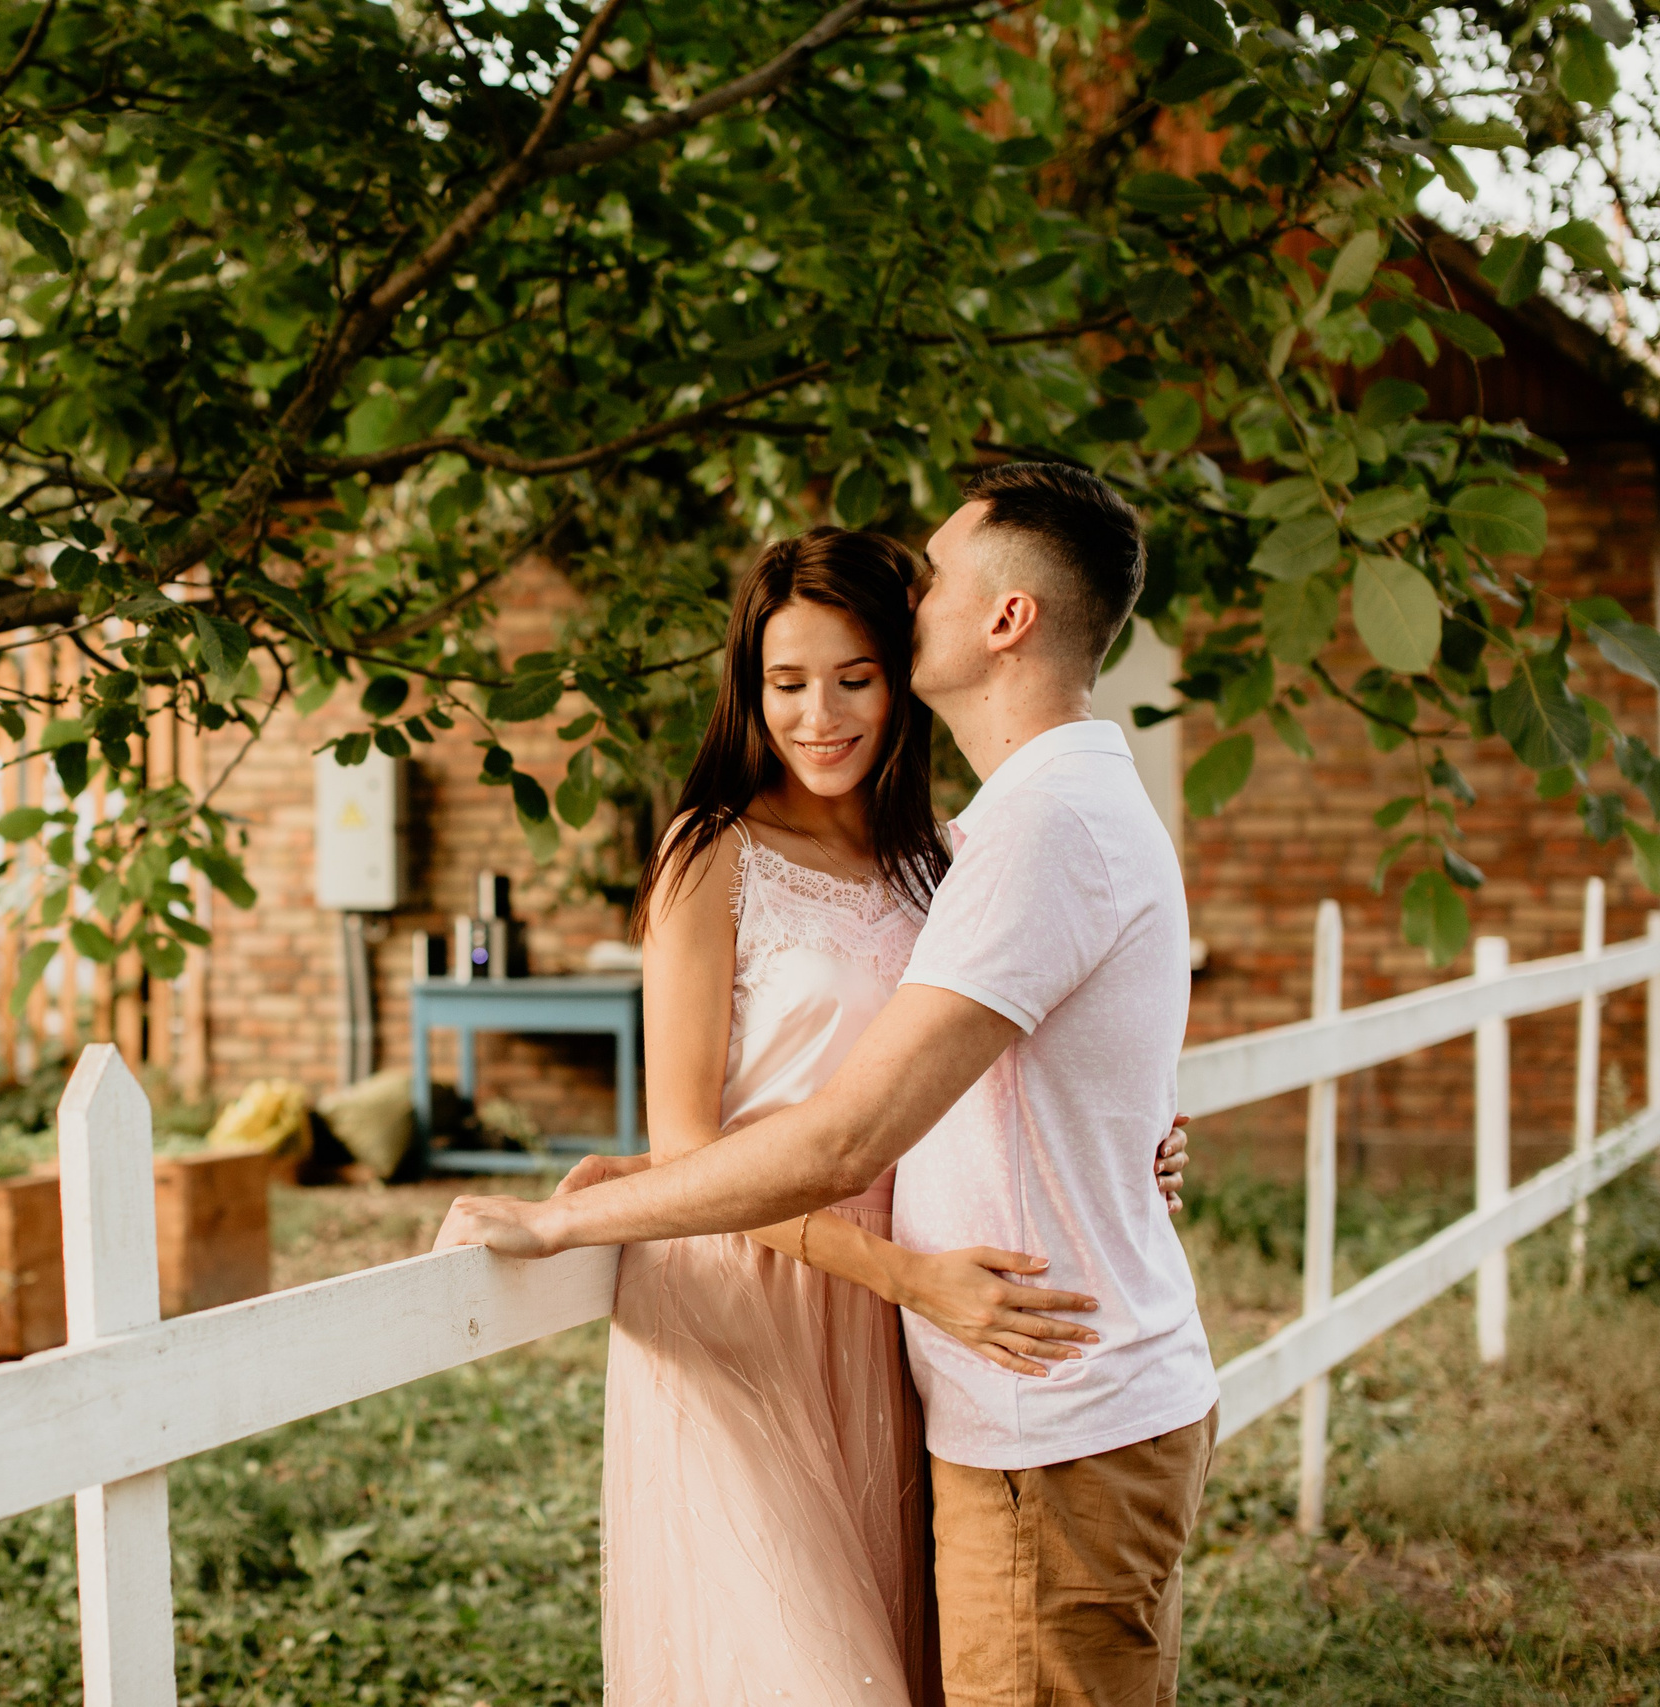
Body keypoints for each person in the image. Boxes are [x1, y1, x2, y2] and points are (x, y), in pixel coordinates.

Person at [439, 465, 1219, 1707]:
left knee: (906, 1656)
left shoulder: (955, 854)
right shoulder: (714, 852)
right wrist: (900, 1269)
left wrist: (1128, 1137)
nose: (819, 714)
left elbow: (985, 1067)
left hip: (909, 1323)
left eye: (855, 676)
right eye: (785, 682)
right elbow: (691, 1140)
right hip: (758, 1297)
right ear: (748, 690)